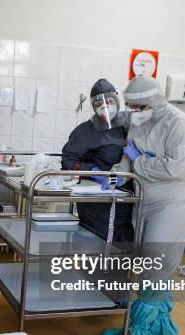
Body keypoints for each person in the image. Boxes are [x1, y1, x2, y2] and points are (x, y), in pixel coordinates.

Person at [102, 75, 185, 335]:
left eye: (138, 107)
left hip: (174, 199)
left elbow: (175, 168)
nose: (132, 112)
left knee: (154, 262)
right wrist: (110, 180)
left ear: (153, 103)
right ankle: (160, 320)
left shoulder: (178, 123)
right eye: (130, 107)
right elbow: (126, 161)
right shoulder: (138, 123)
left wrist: (139, 161)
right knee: (153, 262)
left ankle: (140, 331)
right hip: (146, 198)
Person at [61, 78, 134, 243]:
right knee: (95, 246)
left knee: (122, 247)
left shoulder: (129, 126)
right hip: (97, 202)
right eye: (99, 104)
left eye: (109, 101)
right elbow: (68, 160)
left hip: (127, 199)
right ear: (93, 106)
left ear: (116, 99)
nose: (105, 107)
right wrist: (93, 172)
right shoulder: (85, 132)